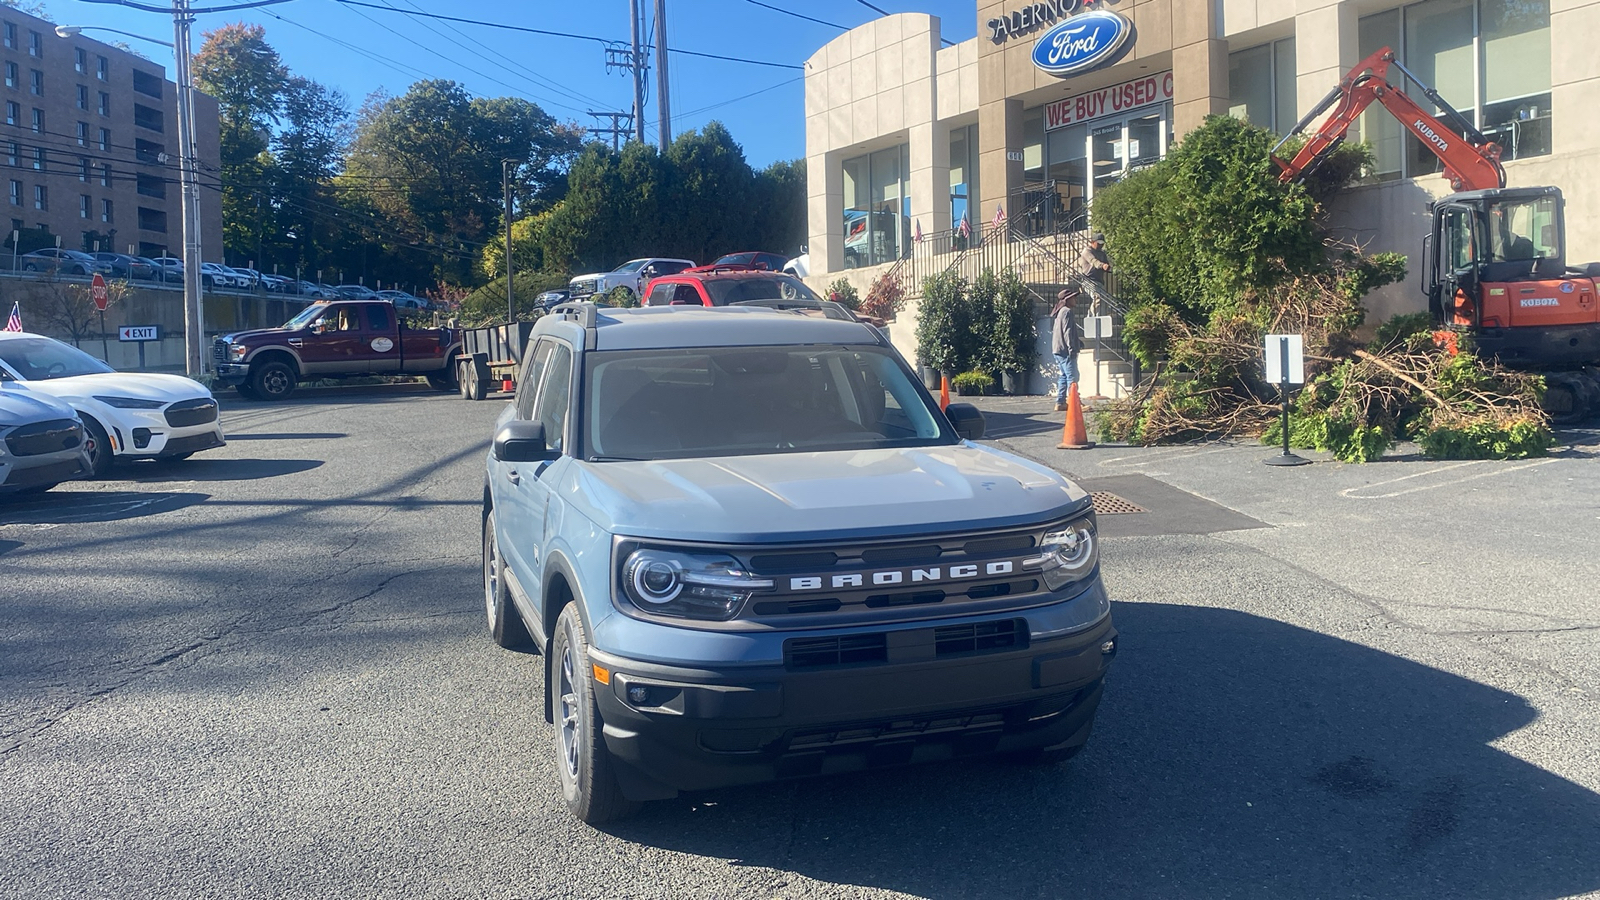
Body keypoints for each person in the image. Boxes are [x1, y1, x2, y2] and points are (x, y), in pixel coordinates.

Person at [1050, 288, 1083, 412]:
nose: (1076, 300)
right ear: (1067, 300)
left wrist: (1078, 342)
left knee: (1064, 376)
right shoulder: (1067, 312)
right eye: (1074, 297)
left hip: (1057, 348)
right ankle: (1075, 403)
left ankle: (1060, 402)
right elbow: (1067, 332)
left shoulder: (1060, 312)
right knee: (1072, 376)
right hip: (1065, 350)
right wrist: (1072, 348)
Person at [1078, 231, 1112, 306]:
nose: (1100, 245)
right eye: (1098, 243)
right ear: (1092, 242)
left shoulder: (1102, 253)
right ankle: (1093, 317)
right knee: (1098, 298)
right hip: (1088, 280)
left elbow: (1107, 265)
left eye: (1102, 243)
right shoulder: (1087, 251)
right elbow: (1093, 261)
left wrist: (1109, 268)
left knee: (1104, 301)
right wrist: (1102, 265)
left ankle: (1091, 316)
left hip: (1099, 281)